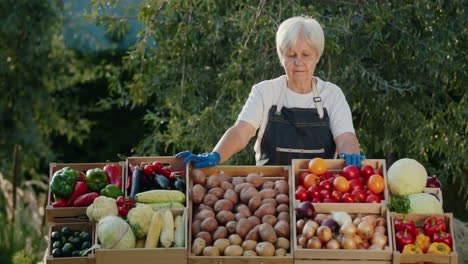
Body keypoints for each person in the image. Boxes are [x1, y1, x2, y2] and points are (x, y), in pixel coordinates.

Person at [177, 16, 365, 168]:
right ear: (281, 58)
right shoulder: (265, 91)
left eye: (306, 55)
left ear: (317, 57)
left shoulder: (332, 94)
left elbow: (345, 136)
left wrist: (350, 156)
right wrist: (216, 155)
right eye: (291, 55)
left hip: (318, 190)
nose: (298, 63)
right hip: (269, 192)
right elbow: (241, 132)